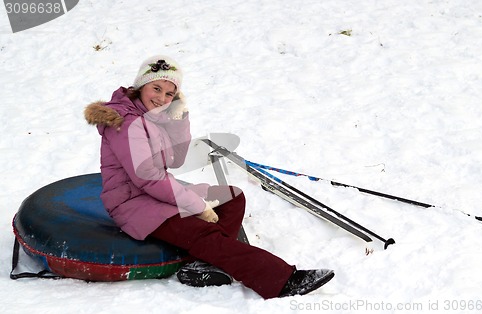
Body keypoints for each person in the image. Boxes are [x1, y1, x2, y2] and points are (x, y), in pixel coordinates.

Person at [84, 55, 334, 299]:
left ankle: (204, 265)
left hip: (155, 195)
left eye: (169, 94)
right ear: (141, 86)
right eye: (156, 88)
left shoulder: (152, 117)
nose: (161, 98)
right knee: (205, 233)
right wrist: (197, 206)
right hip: (134, 205)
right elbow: (148, 177)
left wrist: (178, 118)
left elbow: (175, 160)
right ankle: (280, 280)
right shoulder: (127, 123)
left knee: (231, 198)